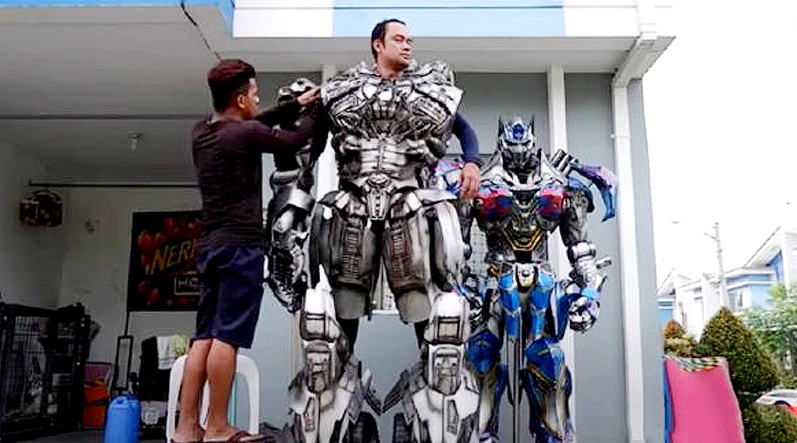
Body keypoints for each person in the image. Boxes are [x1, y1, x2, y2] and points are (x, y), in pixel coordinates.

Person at [311, 18, 481, 352]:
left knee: (416, 288)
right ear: (378, 45)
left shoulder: (426, 88)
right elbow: (316, 138)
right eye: (399, 39)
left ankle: (431, 368)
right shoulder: (345, 88)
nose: (407, 45)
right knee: (348, 290)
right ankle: (341, 367)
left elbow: (463, 129)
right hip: (355, 199)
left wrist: (472, 162)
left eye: (409, 40)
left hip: (407, 199)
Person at [171, 58, 319, 443]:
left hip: (210, 247)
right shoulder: (245, 134)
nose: (258, 99)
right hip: (241, 248)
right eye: (254, 93)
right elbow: (292, 140)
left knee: (204, 336)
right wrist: (316, 112)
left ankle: (187, 427)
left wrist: (295, 104)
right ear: (239, 99)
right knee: (228, 337)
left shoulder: (202, 132)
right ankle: (219, 426)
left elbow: (256, 122)